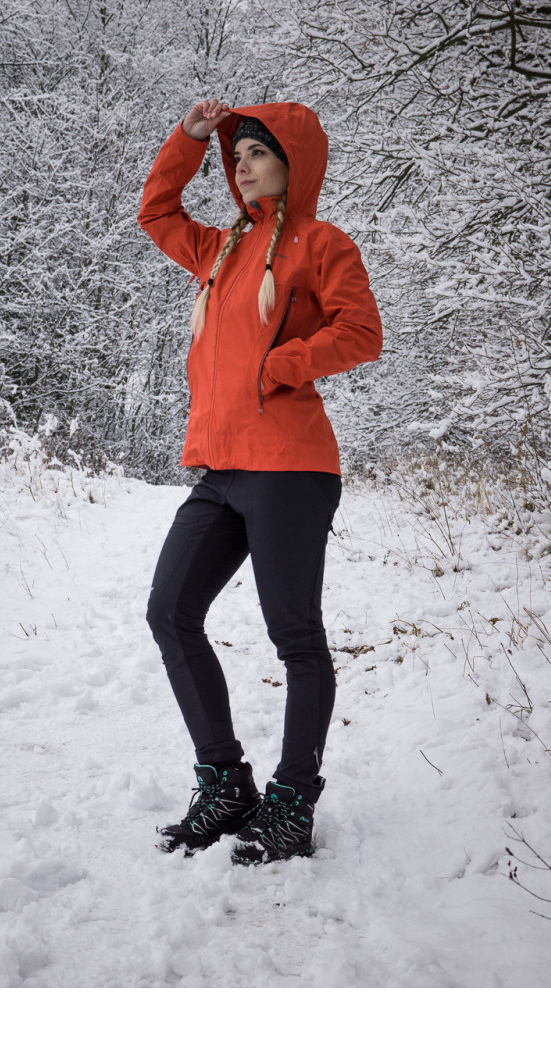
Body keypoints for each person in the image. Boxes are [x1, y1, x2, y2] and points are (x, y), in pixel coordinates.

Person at [138, 98, 383, 864]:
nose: (241, 166)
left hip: (291, 467)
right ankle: (225, 784)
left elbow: (361, 332)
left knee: (295, 637)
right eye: (236, 155)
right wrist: (189, 139)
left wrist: (284, 363)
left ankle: (291, 803)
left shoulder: (321, 244)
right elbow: (156, 213)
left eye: (258, 153)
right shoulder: (220, 249)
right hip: (222, 469)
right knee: (170, 611)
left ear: (292, 163)